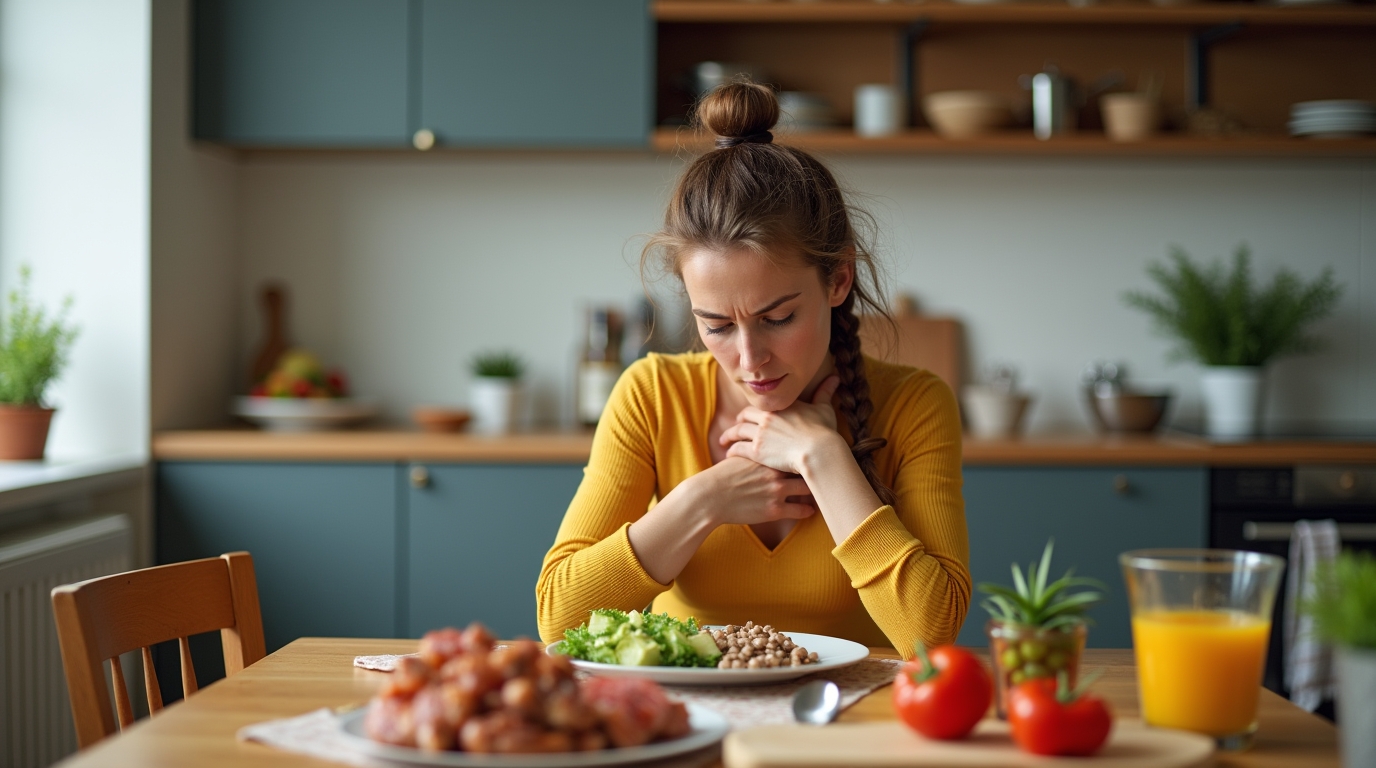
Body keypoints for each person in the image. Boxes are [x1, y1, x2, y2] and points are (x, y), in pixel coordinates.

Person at [536, 82, 969, 656]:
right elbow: (559, 621)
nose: (749, 358)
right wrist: (704, 500)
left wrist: (826, 459)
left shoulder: (916, 404)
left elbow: (931, 635)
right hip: (687, 719)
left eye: (779, 317)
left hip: (847, 720)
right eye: (716, 326)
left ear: (838, 279)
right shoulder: (651, 395)